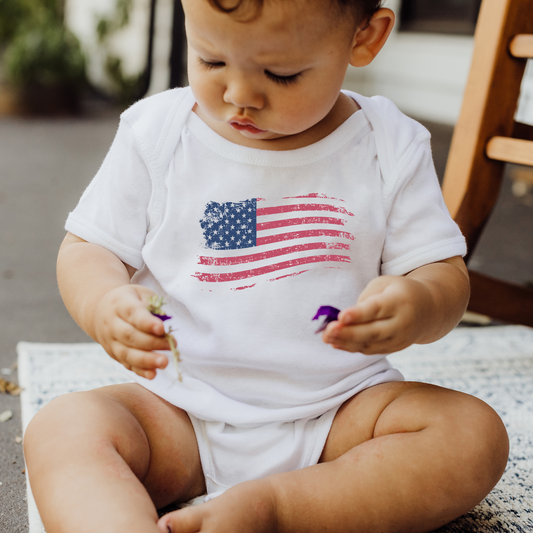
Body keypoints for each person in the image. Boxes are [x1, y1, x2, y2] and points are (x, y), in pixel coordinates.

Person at [23, 0, 509, 532]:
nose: (239, 96)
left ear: (364, 37)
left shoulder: (389, 143)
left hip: (342, 413)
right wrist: (103, 302)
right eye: (211, 60)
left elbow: (445, 277)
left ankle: (280, 510)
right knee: (61, 429)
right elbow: (89, 250)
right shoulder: (157, 132)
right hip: (180, 410)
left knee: (472, 435)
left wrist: (419, 303)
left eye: (281, 73)